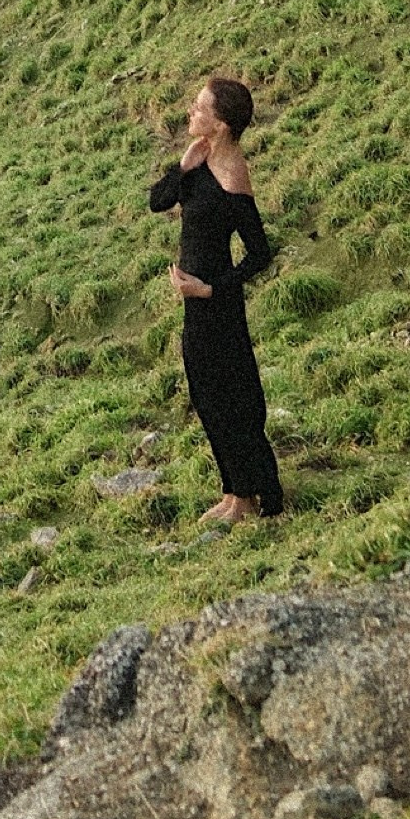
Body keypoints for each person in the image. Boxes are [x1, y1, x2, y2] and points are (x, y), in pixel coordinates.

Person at [149, 76, 284, 525]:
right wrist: (183, 168)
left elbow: (260, 254)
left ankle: (248, 498)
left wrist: (209, 289)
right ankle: (232, 491)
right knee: (207, 397)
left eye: (200, 108)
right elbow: (157, 201)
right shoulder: (201, 162)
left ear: (221, 125)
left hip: (217, 305)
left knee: (232, 399)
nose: (190, 112)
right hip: (197, 305)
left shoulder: (233, 177)